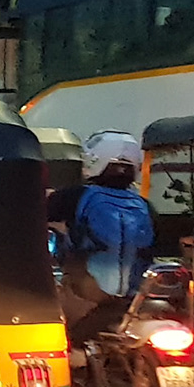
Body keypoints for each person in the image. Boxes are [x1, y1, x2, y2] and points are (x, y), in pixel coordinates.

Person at [49, 130, 155, 341]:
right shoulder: (145, 206)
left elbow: (34, 216)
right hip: (134, 295)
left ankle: (74, 352)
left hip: (86, 291)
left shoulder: (75, 196)